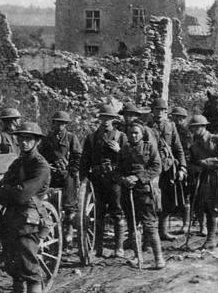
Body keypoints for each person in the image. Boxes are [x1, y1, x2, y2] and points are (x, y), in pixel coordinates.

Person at [0, 122, 51, 293]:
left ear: (37, 141)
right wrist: (9, 190)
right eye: (21, 138)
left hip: (28, 222)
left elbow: (21, 195)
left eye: (29, 138)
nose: (24, 141)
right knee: (14, 268)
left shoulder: (41, 166)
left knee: (29, 269)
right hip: (11, 220)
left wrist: (9, 190)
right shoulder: (18, 163)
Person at [80, 105, 127, 258]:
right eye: (103, 117)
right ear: (100, 118)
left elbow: (128, 159)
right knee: (98, 214)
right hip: (97, 181)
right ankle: (97, 248)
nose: (106, 121)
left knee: (117, 211)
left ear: (114, 120)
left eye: (109, 118)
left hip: (114, 179)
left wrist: (119, 151)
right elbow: (84, 161)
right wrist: (85, 179)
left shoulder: (121, 136)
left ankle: (118, 248)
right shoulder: (92, 137)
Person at [118, 121, 165, 268]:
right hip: (128, 191)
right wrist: (123, 179)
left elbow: (157, 167)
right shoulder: (124, 150)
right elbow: (117, 170)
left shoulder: (149, 147)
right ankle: (138, 258)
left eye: (136, 132)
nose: (133, 135)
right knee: (132, 225)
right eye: (130, 133)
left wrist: (138, 178)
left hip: (145, 191)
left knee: (149, 224)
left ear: (142, 134)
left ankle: (159, 259)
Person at [187, 115, 218, 248]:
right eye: (193, 128)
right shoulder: (194, 145)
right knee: (208, 208)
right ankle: (210, 239)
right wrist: (195, 168)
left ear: (204, 127)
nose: (195, 130)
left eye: (197, 127)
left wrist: (206, 162)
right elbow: (192, 163)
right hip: (204, 179)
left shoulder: (217, 139)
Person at [38, 111, 81, 245]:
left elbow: (77, 155)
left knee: (70, 179)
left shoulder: (71, 138)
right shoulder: (47, 139)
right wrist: (48, 166)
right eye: (57, 122)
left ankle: (69, 215)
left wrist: (71, 168)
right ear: (54, 123)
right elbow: (41, 155)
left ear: (66, 124)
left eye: (63, 123)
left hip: (65, 172)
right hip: (51, 171)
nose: (60, 125)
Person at [148, 98, 187, 243]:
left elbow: (178, 149)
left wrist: (182, 167)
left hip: (167, 167)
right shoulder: (146, 126)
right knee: (151, 198)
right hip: (151, 166)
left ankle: (163, 231)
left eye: (162, 110)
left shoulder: (170, 126)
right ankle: (148, 234)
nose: (159, 113)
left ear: (166, 112)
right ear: (152, 111)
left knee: (167, 199)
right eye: (156, 110)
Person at [171, 107, 193, 235]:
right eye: (175, 117)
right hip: (172, 164)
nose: (177, 120)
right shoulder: (170, 129)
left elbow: (187, 150)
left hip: (186, 165)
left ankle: (186, 223)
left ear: (184, 119)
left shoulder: (187, 132)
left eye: (180, 117)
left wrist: (182, 165)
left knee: (186, 195)